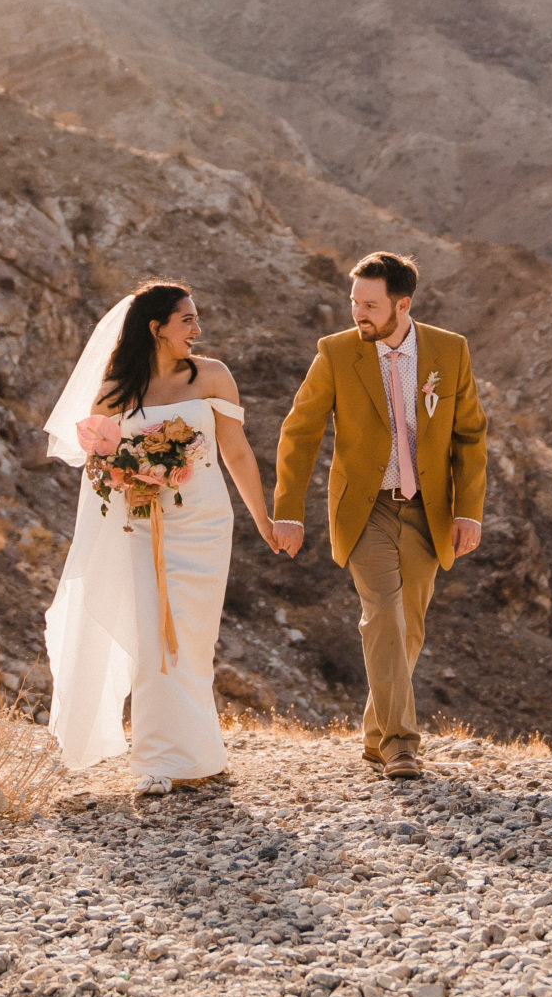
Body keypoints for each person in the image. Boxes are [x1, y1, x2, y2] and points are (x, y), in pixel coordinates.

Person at [41, 281, 286, 794]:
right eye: (187, 320)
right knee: (154, 638)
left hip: (205, 524)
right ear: (156, 328)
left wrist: (264, 519)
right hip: (141, 526)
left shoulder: (213, 375)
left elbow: (237, 453)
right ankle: (158, 761)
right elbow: (98, 468)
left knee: (194, 640)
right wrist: (130, 474)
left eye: (196, 319)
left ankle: (200, 755)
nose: (198, 330)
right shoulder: (114, 392)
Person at [270, 252, 488, 780]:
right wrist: (289, 512)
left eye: (370, 305)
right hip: (363, 510)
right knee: (383, 617)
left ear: (402, 304)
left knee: (409, 627)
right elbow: (300, 433)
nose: (358, 314)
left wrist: (470, 512)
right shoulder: (336, 353)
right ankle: (400, 745)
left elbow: (469, 435)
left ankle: (375, 732)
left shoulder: (448, 351)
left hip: (427, 511)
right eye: (354, 303)